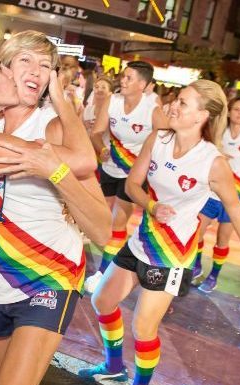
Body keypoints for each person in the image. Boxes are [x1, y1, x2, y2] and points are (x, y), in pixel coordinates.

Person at [81, 80, 240, 385]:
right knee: (102, 299)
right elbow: (132, 183)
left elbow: (235, 208)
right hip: (142, 240)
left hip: (173, 255)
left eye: (183, 103)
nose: (173, 105)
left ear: (203, 115)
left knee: (143, 327)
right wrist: (152, 206)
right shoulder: (156, 139)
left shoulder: (213, 162)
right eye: (176, 100)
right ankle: (114, 367)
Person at [0, 31, 107, 385]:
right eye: (25, 61)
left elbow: (105, 230)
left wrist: (52, 167)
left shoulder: (53, 127)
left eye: (45, 65)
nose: (35, 72)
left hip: (51, 277)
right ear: (3, 66)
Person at [85, 61, 169, 294]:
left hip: (134, 175)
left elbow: (166, 141)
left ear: (142, 84)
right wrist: (100, 148)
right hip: (110, 166)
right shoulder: (113, 101)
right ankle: (112, 259)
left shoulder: (153, 110)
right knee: (101, 217)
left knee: (118, 222)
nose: (123, 81)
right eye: (123, 76)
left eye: (129, 78)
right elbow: (97, 132)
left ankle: (102, 273)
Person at [191, 98, 240, 293]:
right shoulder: (218, 132)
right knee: (196, 233)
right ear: (229, 112)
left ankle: (213, 276)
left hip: (236, 194)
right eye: (236, 109)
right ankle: (197, 265)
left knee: (222, 239)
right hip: (212, 190)